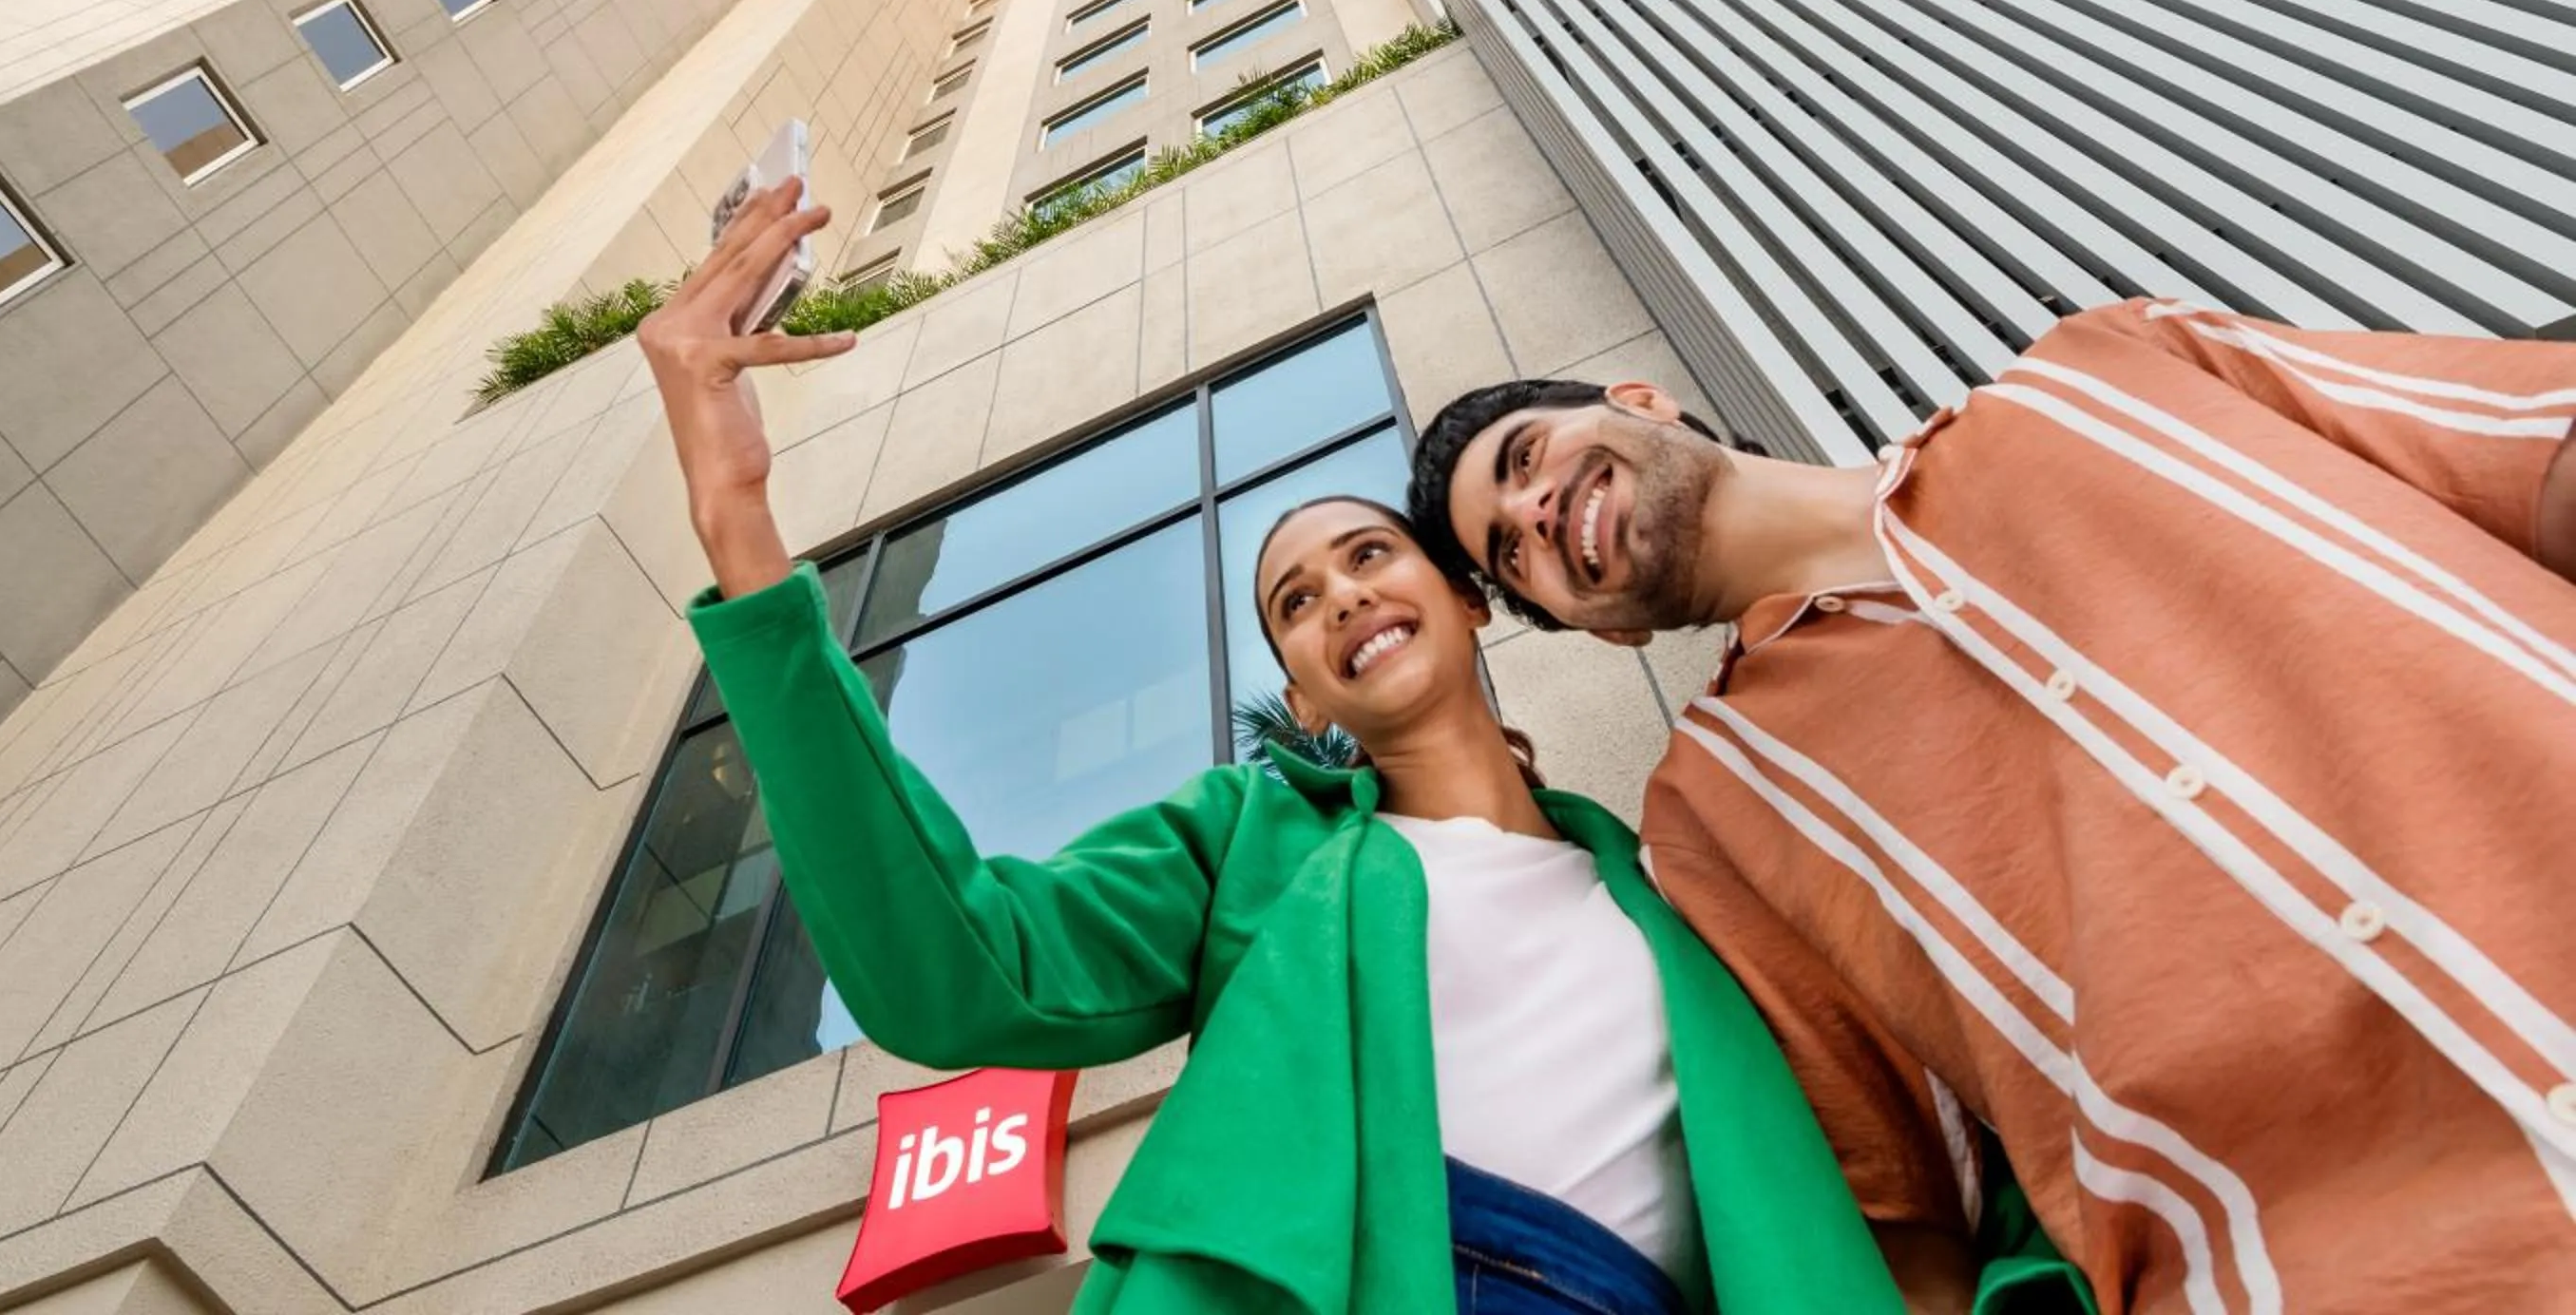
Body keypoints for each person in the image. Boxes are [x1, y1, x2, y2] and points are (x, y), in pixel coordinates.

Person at [637, 179, 2014, 1315]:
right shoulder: (1246, 847)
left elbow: (1910, 1129)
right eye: (1297, 602)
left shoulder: (1677, 873)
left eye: (1370, 555)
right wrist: (739, 518)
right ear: (1305, 700)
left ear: (1471, 602)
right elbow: (957, 968)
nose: (1344, 594)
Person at [1408, 297, 2576, 1313]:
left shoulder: (2104, 373)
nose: (1538, 515)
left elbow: (2530, 463)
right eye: (1512, 556)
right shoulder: (1717, 813)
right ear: (1606, 627)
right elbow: (1905, 1230)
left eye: (1523, 459)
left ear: (1641, 397)